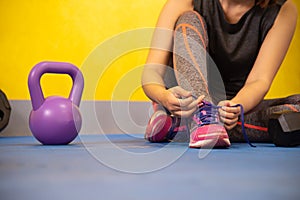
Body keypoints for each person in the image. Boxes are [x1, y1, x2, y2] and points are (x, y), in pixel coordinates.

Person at [142, 0, 300, 148]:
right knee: (188, 20)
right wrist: (163, 96)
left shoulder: (283, 9)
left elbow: (259, 80)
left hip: (229, 105)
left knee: (296, 107)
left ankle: (179, 126)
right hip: (187, 102)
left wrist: (235, 107)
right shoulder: (185, 2)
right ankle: (202, 117)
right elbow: (152, 71)